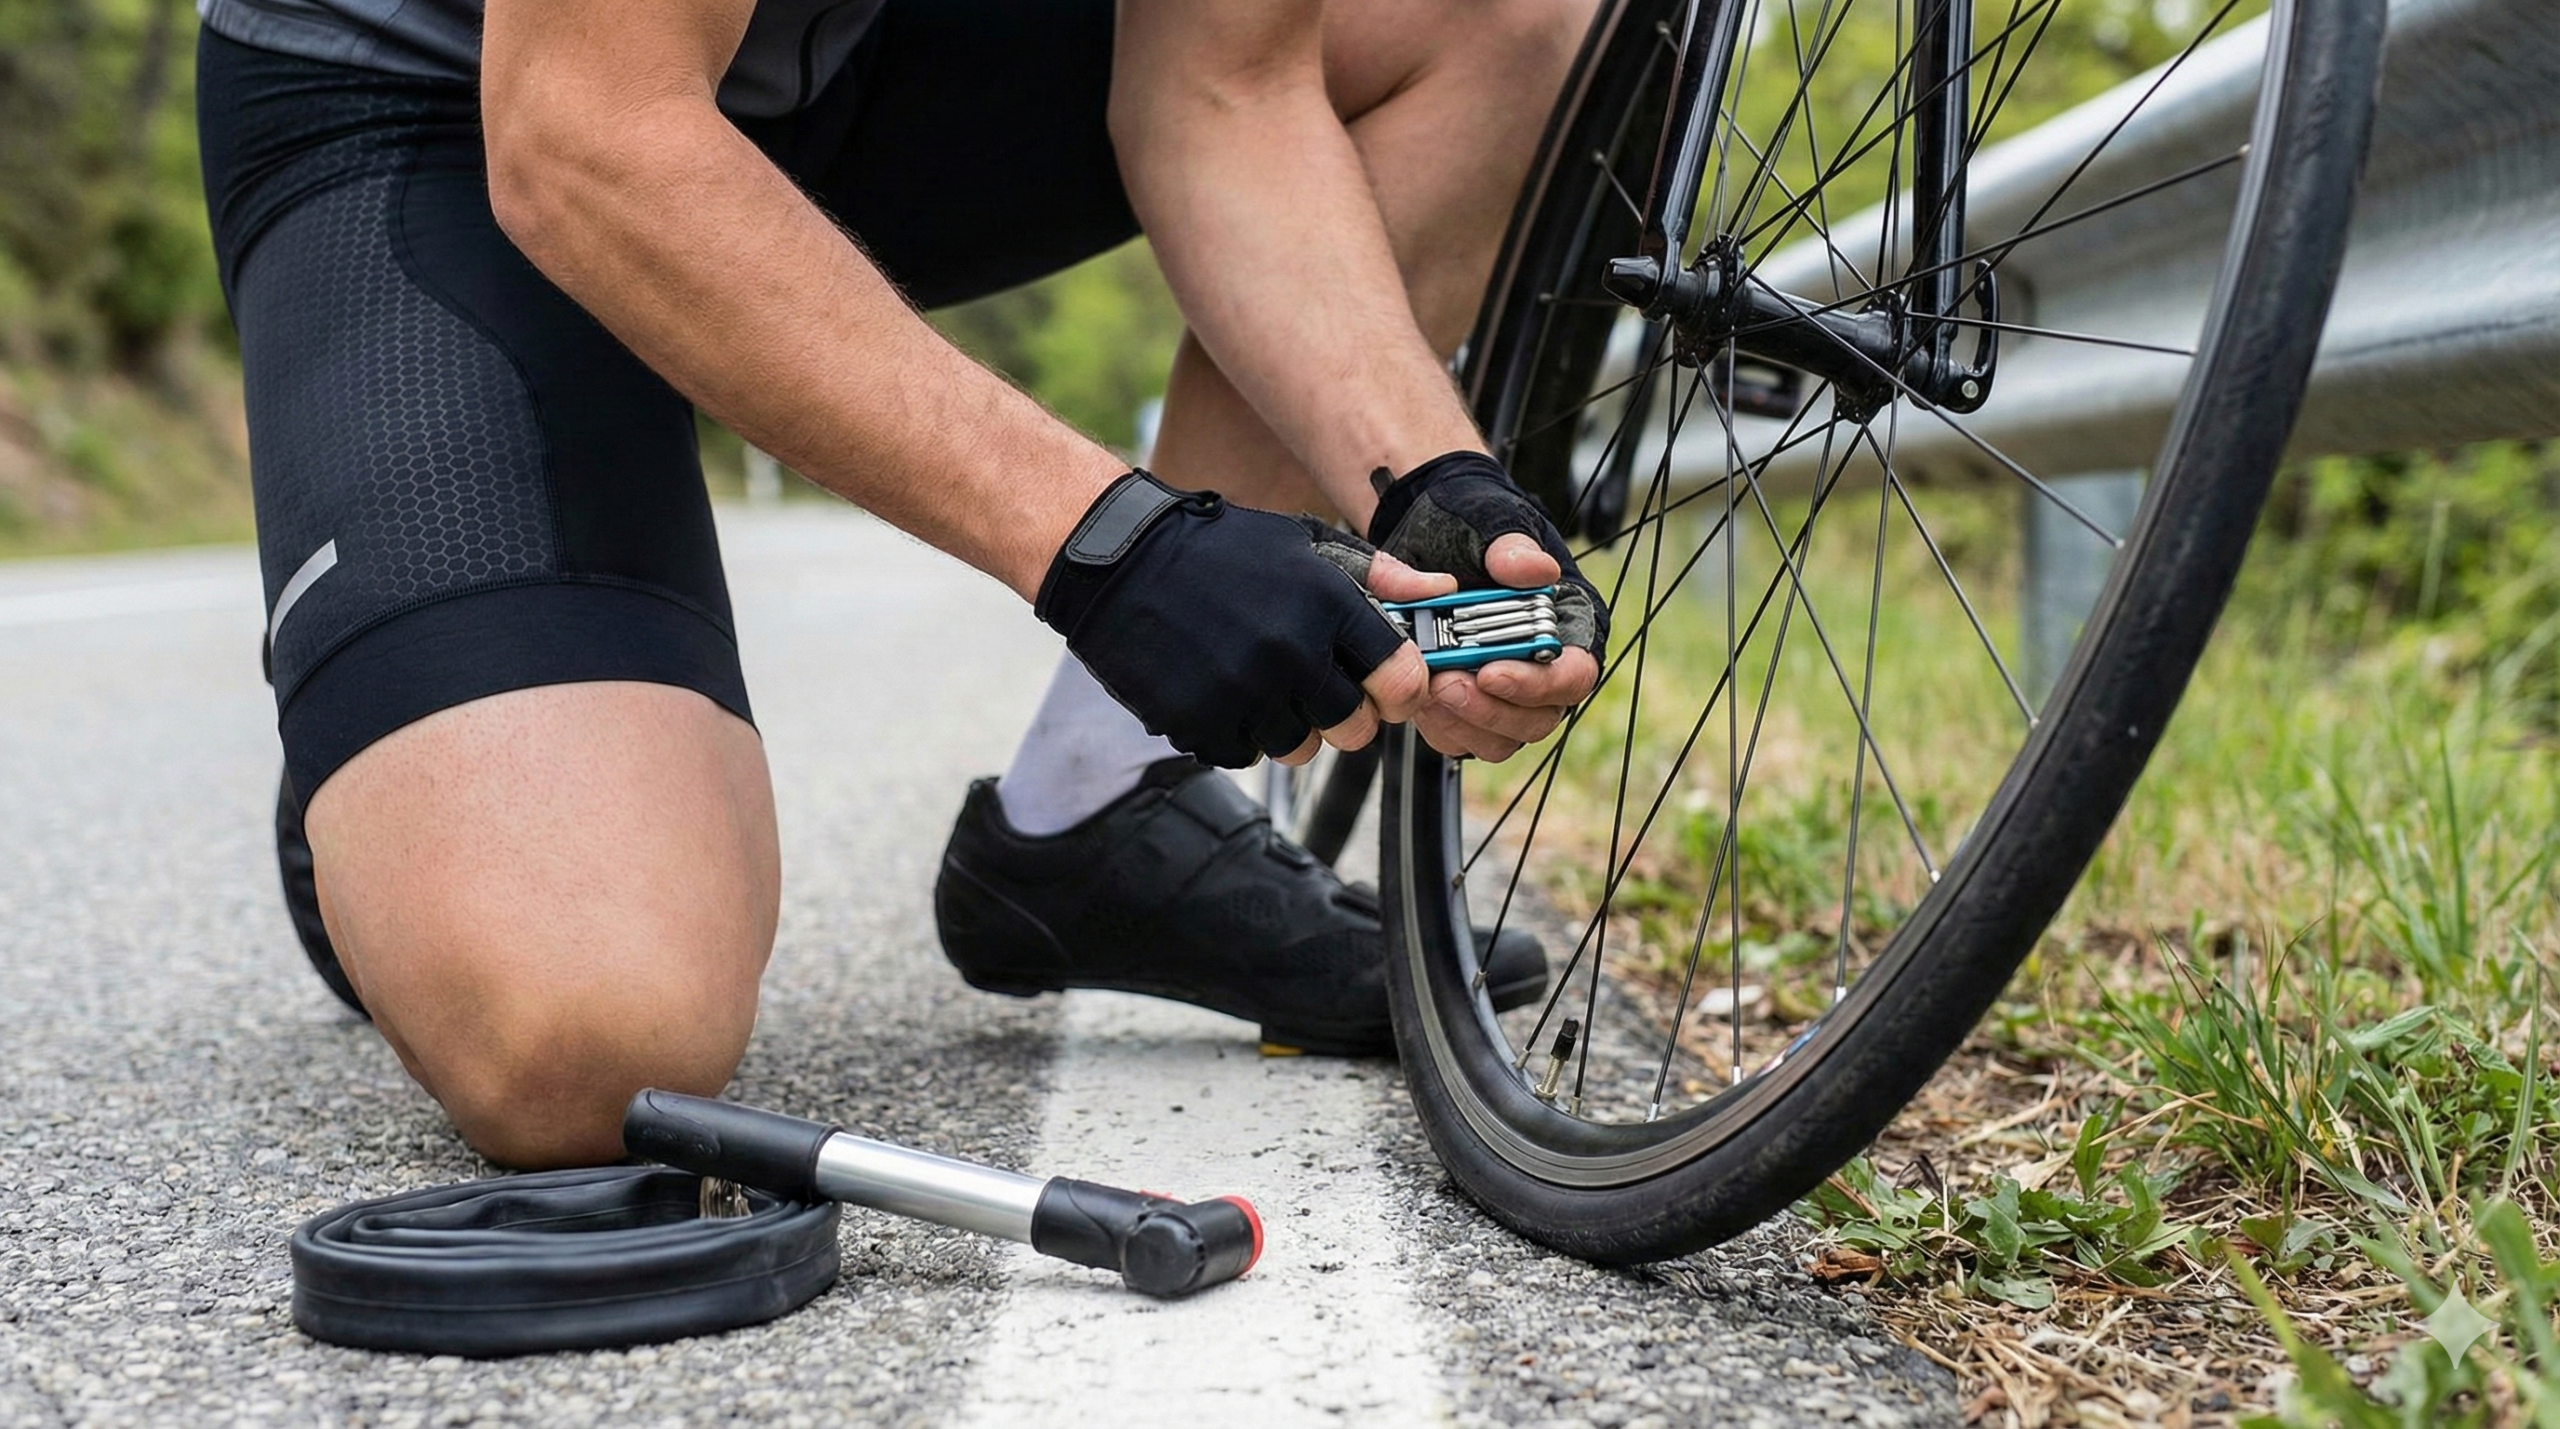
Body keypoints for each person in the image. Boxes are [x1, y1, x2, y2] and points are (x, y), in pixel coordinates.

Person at [200, 0, 1607, 1167]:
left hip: (883, 69)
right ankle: (425, 688)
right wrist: (1120, 549)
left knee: (1499, 15)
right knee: (590, 1050)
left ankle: (1098, 802)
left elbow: (1224, 89)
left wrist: (1421, 473)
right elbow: (590, 131)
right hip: (469, 101)